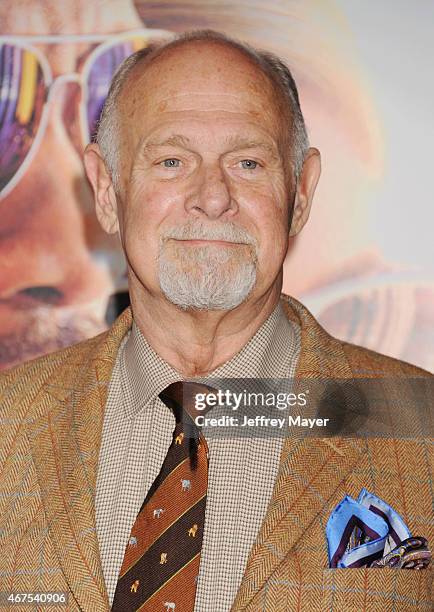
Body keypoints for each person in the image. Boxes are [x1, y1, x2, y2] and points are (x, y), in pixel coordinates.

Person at [0, 30, 432, 612]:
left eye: (248, 162)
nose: (212, 196)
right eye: (172, 161)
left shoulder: (418, 427)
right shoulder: (9, 422)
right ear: (107, 188)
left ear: (300, 193)